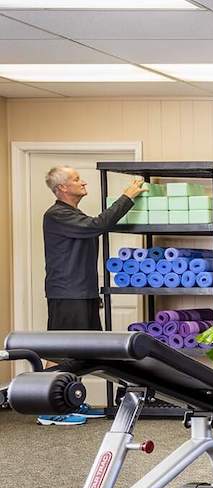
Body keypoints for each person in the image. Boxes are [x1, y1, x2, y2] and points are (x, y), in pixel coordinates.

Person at [40, 165, 144, 426]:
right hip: (67, 294)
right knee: (63, 353)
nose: (83, 182)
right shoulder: (57, 215)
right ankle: (47, 407)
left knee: (83, 352)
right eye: (76, 179)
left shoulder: (73, 214)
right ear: (62, 188)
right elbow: (98, 225)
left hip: (82, 291)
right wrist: (127, 197)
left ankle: (68, 400)